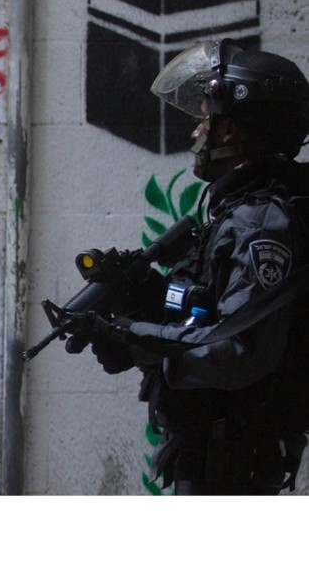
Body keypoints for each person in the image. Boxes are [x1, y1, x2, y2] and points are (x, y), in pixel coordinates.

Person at [66, 38, 309, 494]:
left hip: (236, 463)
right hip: (210, 452)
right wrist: (148, 298)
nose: (195, 134)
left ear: (230, 130)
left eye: (203, 120)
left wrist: (133, 339)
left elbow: (238, 350)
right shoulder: (237, 211)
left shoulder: (261, 222)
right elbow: (208, 312)